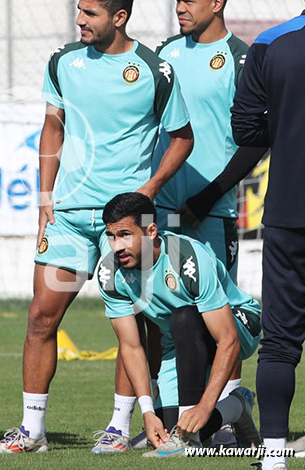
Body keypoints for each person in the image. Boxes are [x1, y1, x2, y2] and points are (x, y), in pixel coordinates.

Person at [0, 0, 193, 454]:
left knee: (132, 325)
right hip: (69, 218)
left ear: (119, 17)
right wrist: (44, 199)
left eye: (90, 13)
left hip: (122, 224)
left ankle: (118, 428)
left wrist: (150, 188)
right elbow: (51, 128)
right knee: (40, 317)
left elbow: (182, 136)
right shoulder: (63, 62)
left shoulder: (154, 70)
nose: (79, 20)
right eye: (79, 10)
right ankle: (31, 431)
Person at [99, 0, 268, 454]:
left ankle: (226, 414)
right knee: (155, 320)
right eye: (175, 1)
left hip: (209, 210)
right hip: (160, 209)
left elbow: (255, 141)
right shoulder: (165, 55)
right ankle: (161, 419)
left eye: (188, 1)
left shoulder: (242, 59)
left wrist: (209, 195)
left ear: (217, 2)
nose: (179, 10)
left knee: (214, 317)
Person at [99, 192, 262, 457]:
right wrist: (148, 412)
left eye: (125, 235)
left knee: (183, 316)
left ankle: (189, 438)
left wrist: (206, 405)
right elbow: (131, 347)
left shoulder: (187, 257)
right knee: (165, 430)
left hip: (240, 322)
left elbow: (228, 340)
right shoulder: (109, 273)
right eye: (111, 236)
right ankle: (237, 407)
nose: (117, 246)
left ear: (151, 230)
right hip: (180, 339)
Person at [231, 0, 305, 470]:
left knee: (280, 339)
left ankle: (274, 455)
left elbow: (246, 129)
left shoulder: (269, 44)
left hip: (289, 211)